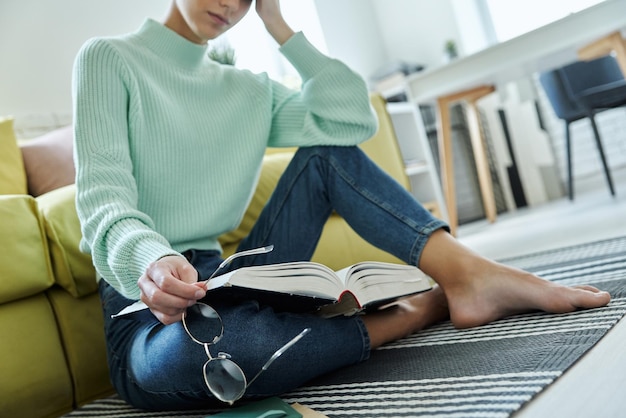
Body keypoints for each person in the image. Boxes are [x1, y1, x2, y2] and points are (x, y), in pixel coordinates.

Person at [72, 0, 611, 411]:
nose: (231, 6)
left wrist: (280, 28)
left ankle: (466, 273)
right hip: (144, 308)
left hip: (229, 278)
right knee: (208, 355)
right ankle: (415, 311)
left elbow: (351, 119)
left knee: (327, 154)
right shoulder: (109, 59)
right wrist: (151, 260)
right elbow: (102, 202)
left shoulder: (248, 90)